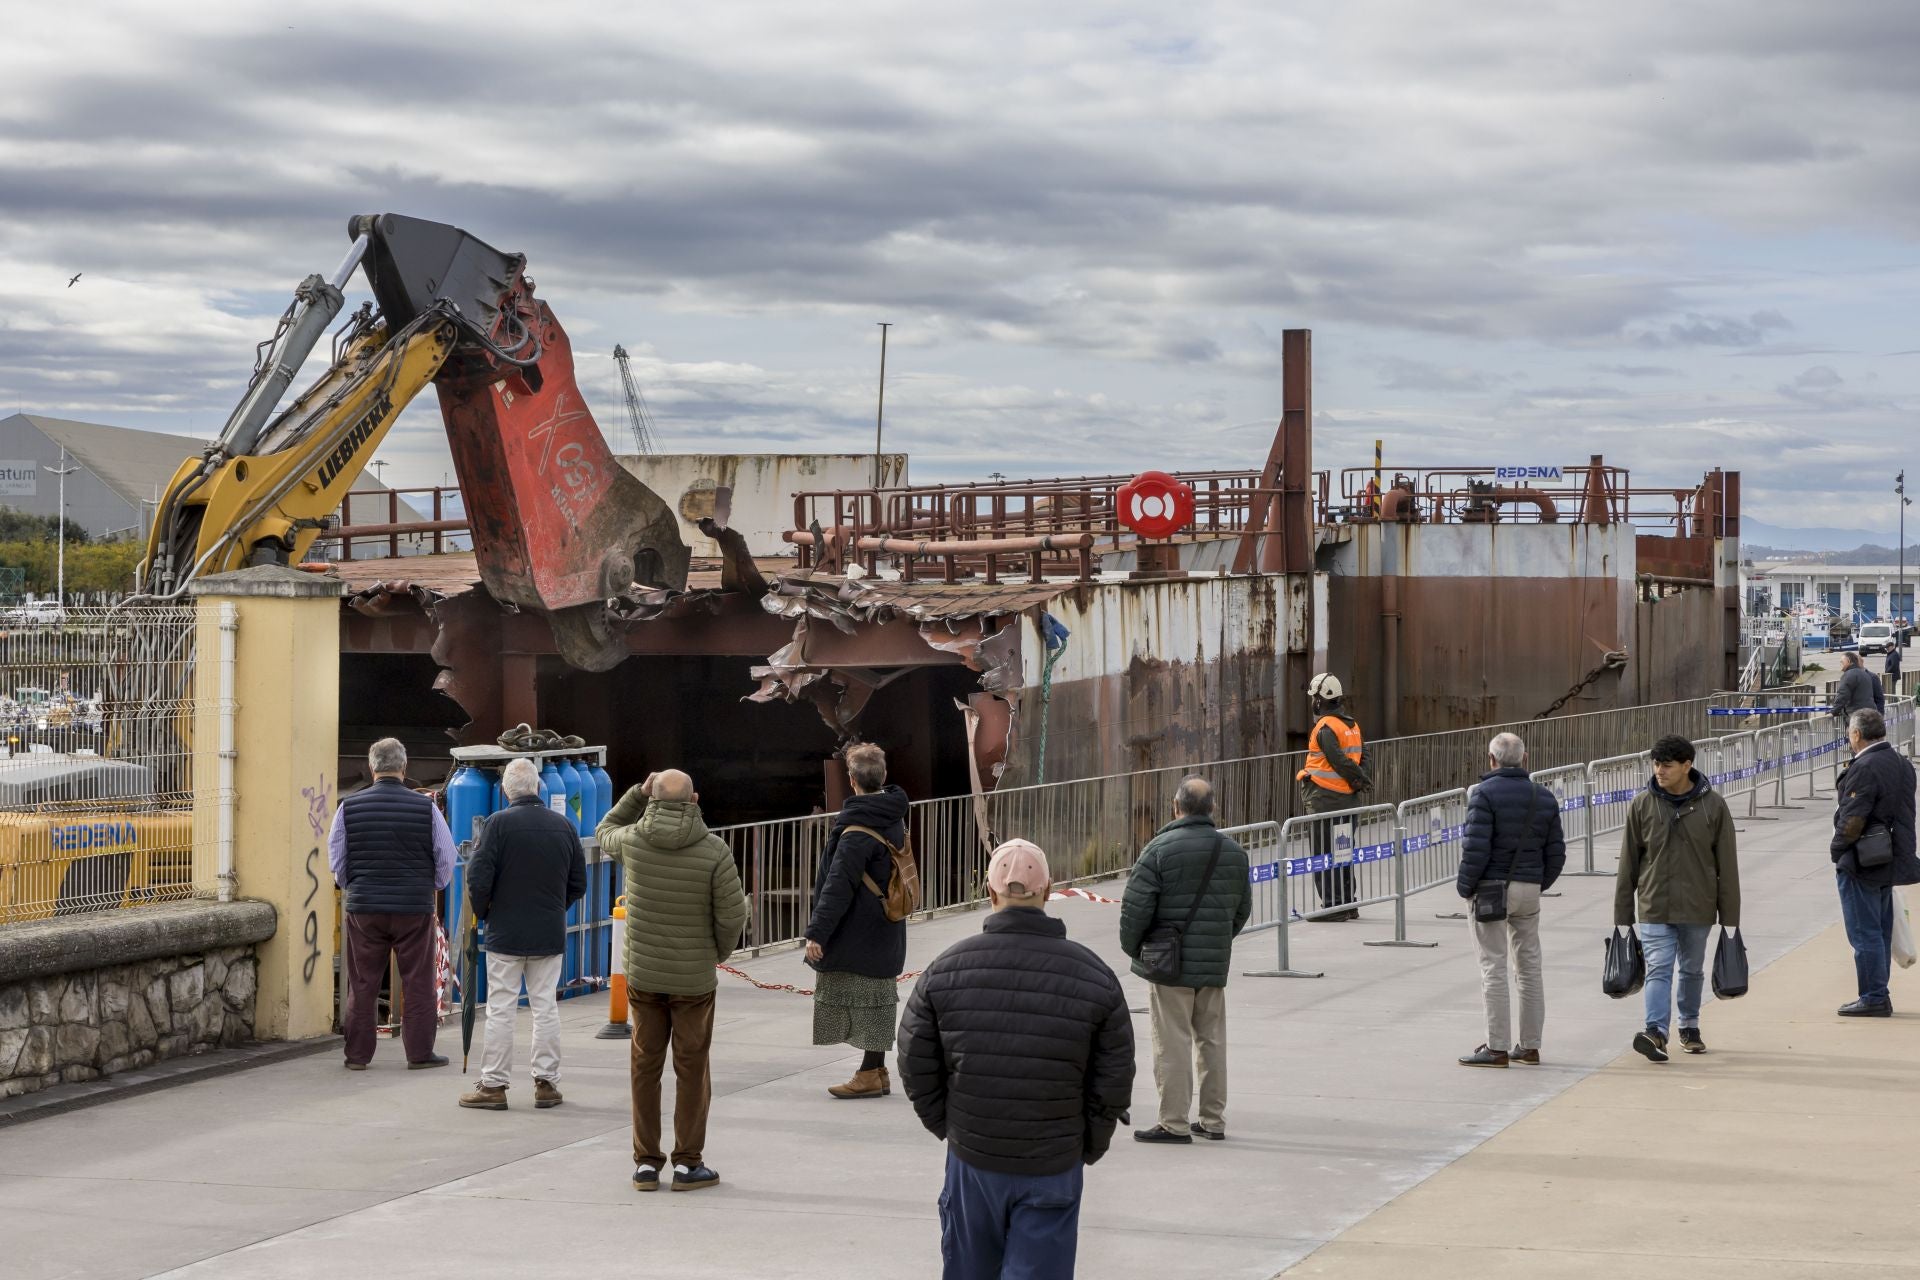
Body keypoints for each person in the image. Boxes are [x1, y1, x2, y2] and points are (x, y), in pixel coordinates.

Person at [897, 839, 1134, 1280]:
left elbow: (914, 1058)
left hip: (973, 1157)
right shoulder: (1094, 976)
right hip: (1053, 1160)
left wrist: (948, 1125)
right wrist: (1089, 1143)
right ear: (1049, 892)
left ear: (990, 894)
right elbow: (1114, 1075)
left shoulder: (947, 968)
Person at [598, 768, 748, 1192]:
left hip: (644, 977)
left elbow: (604, 827)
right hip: (694, 982)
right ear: (694, 800)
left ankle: (646, 1164)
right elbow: (733, 914)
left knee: (645, 1067)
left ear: (653, 800)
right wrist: (714, 954)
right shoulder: (715, 851)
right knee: (692, 1067)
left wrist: (636, 793)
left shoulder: (633, 842)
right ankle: (687, 1163)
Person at [1119, 776, 1252, 1143]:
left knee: (1172, 1040)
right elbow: (1242, 910)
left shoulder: (1158, 850)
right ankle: (1213, 1120)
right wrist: (1217, 940)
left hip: (1169, 965)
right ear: (1212, 809)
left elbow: (1135, 909)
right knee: (1212, 1040)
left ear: (1176, 808)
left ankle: (1174, 1122)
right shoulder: (1233, 852)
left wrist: (1136, 950)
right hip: (1212, 965)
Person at [458, 758, 587, 1111]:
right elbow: (579, 883)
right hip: (548, 931)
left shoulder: (498, 825)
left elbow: (478, 878)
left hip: (506, 931)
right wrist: (555, 909)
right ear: (538, 788)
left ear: (505, 791)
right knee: (545, 1006)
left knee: (501, 1008)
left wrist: (486, 913)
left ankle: (494, 1085)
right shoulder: (564, 827)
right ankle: (547, 1083)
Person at [329, 738, 456, 1071]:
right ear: (405, 767)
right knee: (418, 980)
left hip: (364, 908)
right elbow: (446, 856)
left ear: (372, 768)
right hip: (413, 908)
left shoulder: (348, 807)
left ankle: (357, 1056)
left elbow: (337, 860)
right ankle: (419, 1053)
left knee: (363, 981)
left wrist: (352, 887)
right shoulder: (426, 808)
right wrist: (431, 886)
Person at [1614, 735, 1740, 1062]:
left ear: (1687, 765)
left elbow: (1727, 864)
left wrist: (1730, 918)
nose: (1659, 771)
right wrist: (1623, 914)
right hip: (1655, 904)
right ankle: (1656, 1031)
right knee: (1658, 968)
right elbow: (1629, 860)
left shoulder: (1713, 806)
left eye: (1667, 765)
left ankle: (1689, 1026)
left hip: (1698, 906)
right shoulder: (1643, 804)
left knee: (1692, 970)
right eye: (1656, 764)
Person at [804, 742, 910, 1100]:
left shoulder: (855, 831)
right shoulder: (892, 814)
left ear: (851, 781)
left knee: (865, 995)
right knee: (879, 994)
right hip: (887, 920)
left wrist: (817, 933)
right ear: (882, 777)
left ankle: (868, 1073)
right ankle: (876, 1070)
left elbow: (837, 887)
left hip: (860, 925)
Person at [1455, 733, 1566, 1068]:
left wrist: (1465, 888)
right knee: (1529, 968)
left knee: (1494, 967)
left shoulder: (1483, 794)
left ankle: (1497, 1047)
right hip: (1530, 889)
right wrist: (1538, 882)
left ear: (1491, 759)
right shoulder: (1543, 796)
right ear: (1525, 758)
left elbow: (1476, 848)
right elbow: (1556, 852)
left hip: (1490, 889)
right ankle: (1530, 1046)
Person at [1830, 708, 1920, 1016]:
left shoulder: (1865, 766)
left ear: (1856, 735)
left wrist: (1837, 849)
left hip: (1863, 860)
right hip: (1890, 857)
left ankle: (1874, 996)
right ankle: (1877, 992)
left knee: (1864, 931)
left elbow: (1853, 818)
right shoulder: (1902, 764)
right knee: (1879, 929)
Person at [1295, 672, 1371, 921]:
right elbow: (1364, 755)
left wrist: (1359, 779)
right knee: (1344, 852)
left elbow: (1338, 760)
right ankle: (1348, 903)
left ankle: (1332, 906)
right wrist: (1360, 780)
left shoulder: (1325, 728)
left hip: (1325, 800)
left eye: (1314, 698)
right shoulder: (1352, 726)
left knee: (1324, 854)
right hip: (1347, 799)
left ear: (1320, 700)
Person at [1831, 651, 1876, 723]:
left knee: (1855, 733)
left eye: (1842, 662)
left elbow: (1843, 694)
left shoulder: (1849, 675)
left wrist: (1834, 711)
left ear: (1848, 661)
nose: (1840, 664)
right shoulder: (1865, 674)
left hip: (1856, 714)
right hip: (1870, 712)